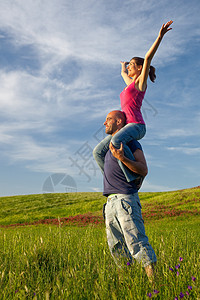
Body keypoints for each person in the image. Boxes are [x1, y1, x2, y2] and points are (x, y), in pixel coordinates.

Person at [93, 20, 173, 183]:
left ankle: (134, 176)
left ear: (139, 68)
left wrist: (159, 37)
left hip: (137, 126)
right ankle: (110, 179)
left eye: (131, 66)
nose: (128, 68)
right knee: (98, 151)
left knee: (116, 141)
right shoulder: (130, 86)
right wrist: (122, 67)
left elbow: (148, 58)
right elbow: (124, 75)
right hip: (127, 126)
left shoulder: (140, 84)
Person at [100, 110, 157, 282]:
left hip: (126, 200)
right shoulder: (108, 148)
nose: (105, 123)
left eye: (108, 119)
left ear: (119, 122)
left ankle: (155, 285)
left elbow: (143, 169)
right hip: (110, 202)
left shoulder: (131, 143)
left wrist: (123, 159)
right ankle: (128, 284)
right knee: (117, 247)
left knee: (137, 243)